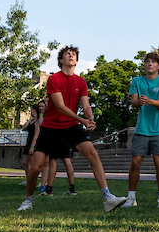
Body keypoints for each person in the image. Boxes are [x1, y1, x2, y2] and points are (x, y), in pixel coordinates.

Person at [18, 45, 126, 213]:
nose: (71, 55)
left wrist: (89, 120)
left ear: (76, 60)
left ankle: (107, 197)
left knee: (93, 153)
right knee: (35, 168)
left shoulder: (81, 81)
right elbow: (60, 106)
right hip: (51, 127)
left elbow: (85, 105)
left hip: (71, 126)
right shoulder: (54, 79)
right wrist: (82, 119)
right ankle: (28, 200)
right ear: (61, 60)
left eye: (74, 54)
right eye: (67, 54)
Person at [123, 51, 159, 208]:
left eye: (153, 62)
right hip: (141, 129)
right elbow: (133, 101)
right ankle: (131, 197)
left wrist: (150, 101)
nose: (150, 64)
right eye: (147, 61)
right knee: (135, 162)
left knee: (158, 161)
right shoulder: (137, 81)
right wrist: (140, 102)